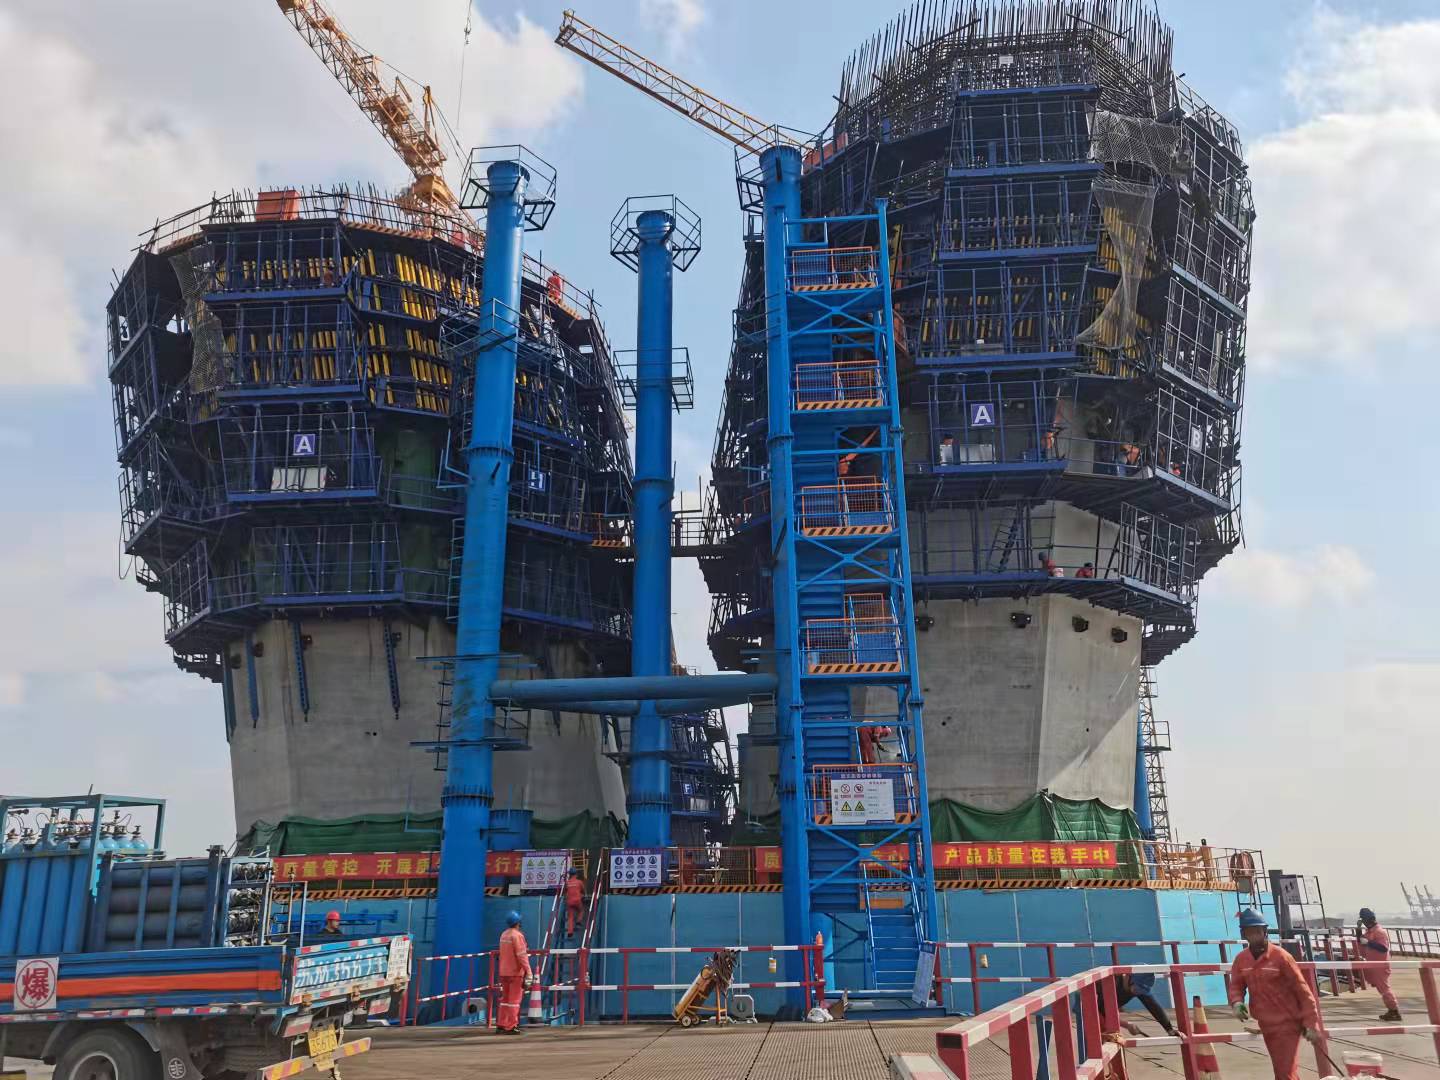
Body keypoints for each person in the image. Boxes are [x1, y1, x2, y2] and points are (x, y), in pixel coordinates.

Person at [1229, 908, 1322, 1080]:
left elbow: (1303, 991)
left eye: (1257, 931)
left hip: (1288, 1023)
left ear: (1265, 931)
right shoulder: (1241, 960)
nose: (1254, 936)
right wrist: (1237, 1003)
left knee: (1285, 1073)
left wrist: (1311, 1023)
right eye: (1250, 932)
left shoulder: (1281, 957)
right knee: (1283, 1072)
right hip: (1266, 1024)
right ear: (1244, 934)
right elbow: (1236, 985)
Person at [1357, 907, 1402, 1021]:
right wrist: (1358, 930)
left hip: (1380, 966)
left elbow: (1383, 948)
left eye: (1364, 920)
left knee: (1384, 988)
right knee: (1381, 988)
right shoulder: (1369, 932)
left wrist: (1369, 943)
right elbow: (1361, 941)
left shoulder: (1379, 932)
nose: (1364, 923)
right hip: (1373, 964)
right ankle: (1392, 1010)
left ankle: (1394, 1011)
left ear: (1369, 920)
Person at [1104, 972, 1176, 1037]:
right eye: (1136, 989)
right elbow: (1102, 1012)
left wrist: (1170, 1029)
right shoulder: (1110, 983)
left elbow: (1155, 1008)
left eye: (1140, 991)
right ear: (1128, 977)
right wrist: (1126, 1025)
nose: (1136, 992)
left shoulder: (1137, 986)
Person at [497, 911, 534, 1034]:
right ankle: (511, 1026)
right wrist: (529, 971)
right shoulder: (517, 936)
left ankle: (501, 1024)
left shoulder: (504, 935)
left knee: (505, 1000)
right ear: (518, 922)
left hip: (503, 972)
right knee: (514, 1001)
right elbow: (521, 955)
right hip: (515, 973)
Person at [565, 868, 587, 939]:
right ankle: (578, 921)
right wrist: (584, 895)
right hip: (577, 901)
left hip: (569, 901)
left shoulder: (567, 883)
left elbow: (566, 891)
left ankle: (570, 932)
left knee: (570, 917)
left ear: (570, 875)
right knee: (581, 911)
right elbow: (583, 890)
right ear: (576, 874)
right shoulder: (579, 882)